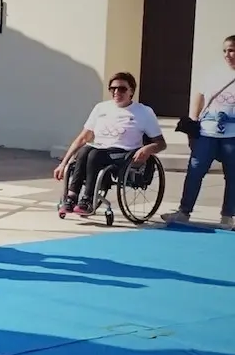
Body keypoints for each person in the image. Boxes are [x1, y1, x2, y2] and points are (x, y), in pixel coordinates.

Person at [53, 71, 166, 215]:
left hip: (124, 153)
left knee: (93, 154)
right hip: (99, 149)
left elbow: (161, 144)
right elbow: (82, 138)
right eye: (113, 89)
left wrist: (148, 149)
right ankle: (71, 197)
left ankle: (87, 200)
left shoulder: (143, 112)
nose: (116, 92)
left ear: (131, 91)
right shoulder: (101, 108)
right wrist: (63, 164)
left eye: (122, 89)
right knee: (84, 151)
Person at [164, 35, 235, 230]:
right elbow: (200, 96)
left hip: (232, 134)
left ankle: (228, 216)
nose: (228, 55)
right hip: (207, 132)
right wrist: (193, 121)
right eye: (225, 50)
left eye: (232, 50)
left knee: (232, 176)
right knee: (195, 171)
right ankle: (184, 211)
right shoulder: (214, 74)